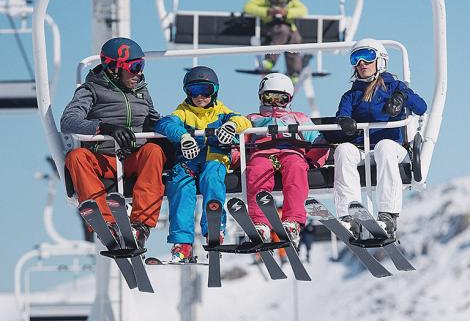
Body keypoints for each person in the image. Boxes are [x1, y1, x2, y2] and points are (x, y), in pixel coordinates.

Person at [61, 37, 168, 248]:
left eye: (141, 66)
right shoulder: (90, 90)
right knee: (76, 157)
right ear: (113, 68)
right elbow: (68, 121)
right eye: (134, 67)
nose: (138, 73)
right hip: (102, 160)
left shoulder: (141, 91)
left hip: (132, 159)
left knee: (154, 151)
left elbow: (155, 120)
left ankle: (140, 226)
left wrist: (178, 129)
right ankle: (105, 222)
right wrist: (104, 127)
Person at [155, 66, 251, 263]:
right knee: (180, 184)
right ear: (187, 92)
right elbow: (164, 124)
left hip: (214, 157)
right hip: (188, 160)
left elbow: (244, 121)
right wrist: (182, 136)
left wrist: (231, 126)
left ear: (214, 91)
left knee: (212, 178)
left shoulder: (221, 111)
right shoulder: (183, 111)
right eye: (194, 91)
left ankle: (214, 230)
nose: (200, 96)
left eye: (205, 91)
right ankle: (182, 243)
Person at [333, 38, 427, 238]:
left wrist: (401, 96)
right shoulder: (351, 95)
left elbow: (421, 107)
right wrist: (344, 122)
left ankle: (388, 215)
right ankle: (349, 217)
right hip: (364, 150)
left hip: (393, 150)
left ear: (381, 60)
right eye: (355, 59)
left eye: (367, 57)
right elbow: (342, 114)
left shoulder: (394, 87)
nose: (361, 63)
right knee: (343, 150)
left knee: (384, 146)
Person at [245, 73, 329, 249]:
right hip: (263, 152)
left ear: (288, 99)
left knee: (296, 166)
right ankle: (260, 223)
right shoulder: (252, 120)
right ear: (261, 97)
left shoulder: (299, 118)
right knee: (256, 168)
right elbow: (239, 142)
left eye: (281, 99)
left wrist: (313, 161)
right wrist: (237, 161)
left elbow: (319, 140)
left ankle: (293, 221)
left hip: (291, 151)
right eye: (269, 98)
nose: (275, 103)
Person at [243, 0, 308, 84]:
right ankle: (270, 60)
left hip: (288, 26)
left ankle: (294, 72)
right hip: (269, 26)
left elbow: (303, 10)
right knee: (283, 31)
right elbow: (248, 7)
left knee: (295, 38)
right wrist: (267, 11)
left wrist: (286, 12)